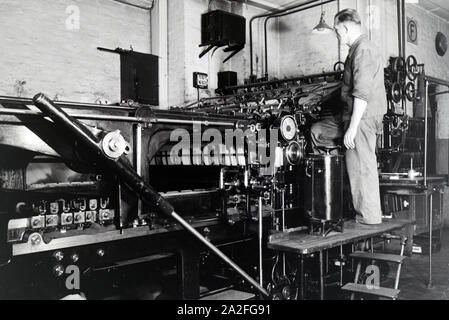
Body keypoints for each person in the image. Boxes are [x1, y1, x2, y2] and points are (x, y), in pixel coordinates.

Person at [310, 8, 387, 225]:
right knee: (318, 131)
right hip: (349, 115)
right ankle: (334, 174)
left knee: (362, 165)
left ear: (344, 27)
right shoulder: (356, 50)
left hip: (362, 116)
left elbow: (361, 92)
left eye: (337, 31)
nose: (338, 36)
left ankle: (368, 219)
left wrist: (352, 129)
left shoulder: (364, 49)